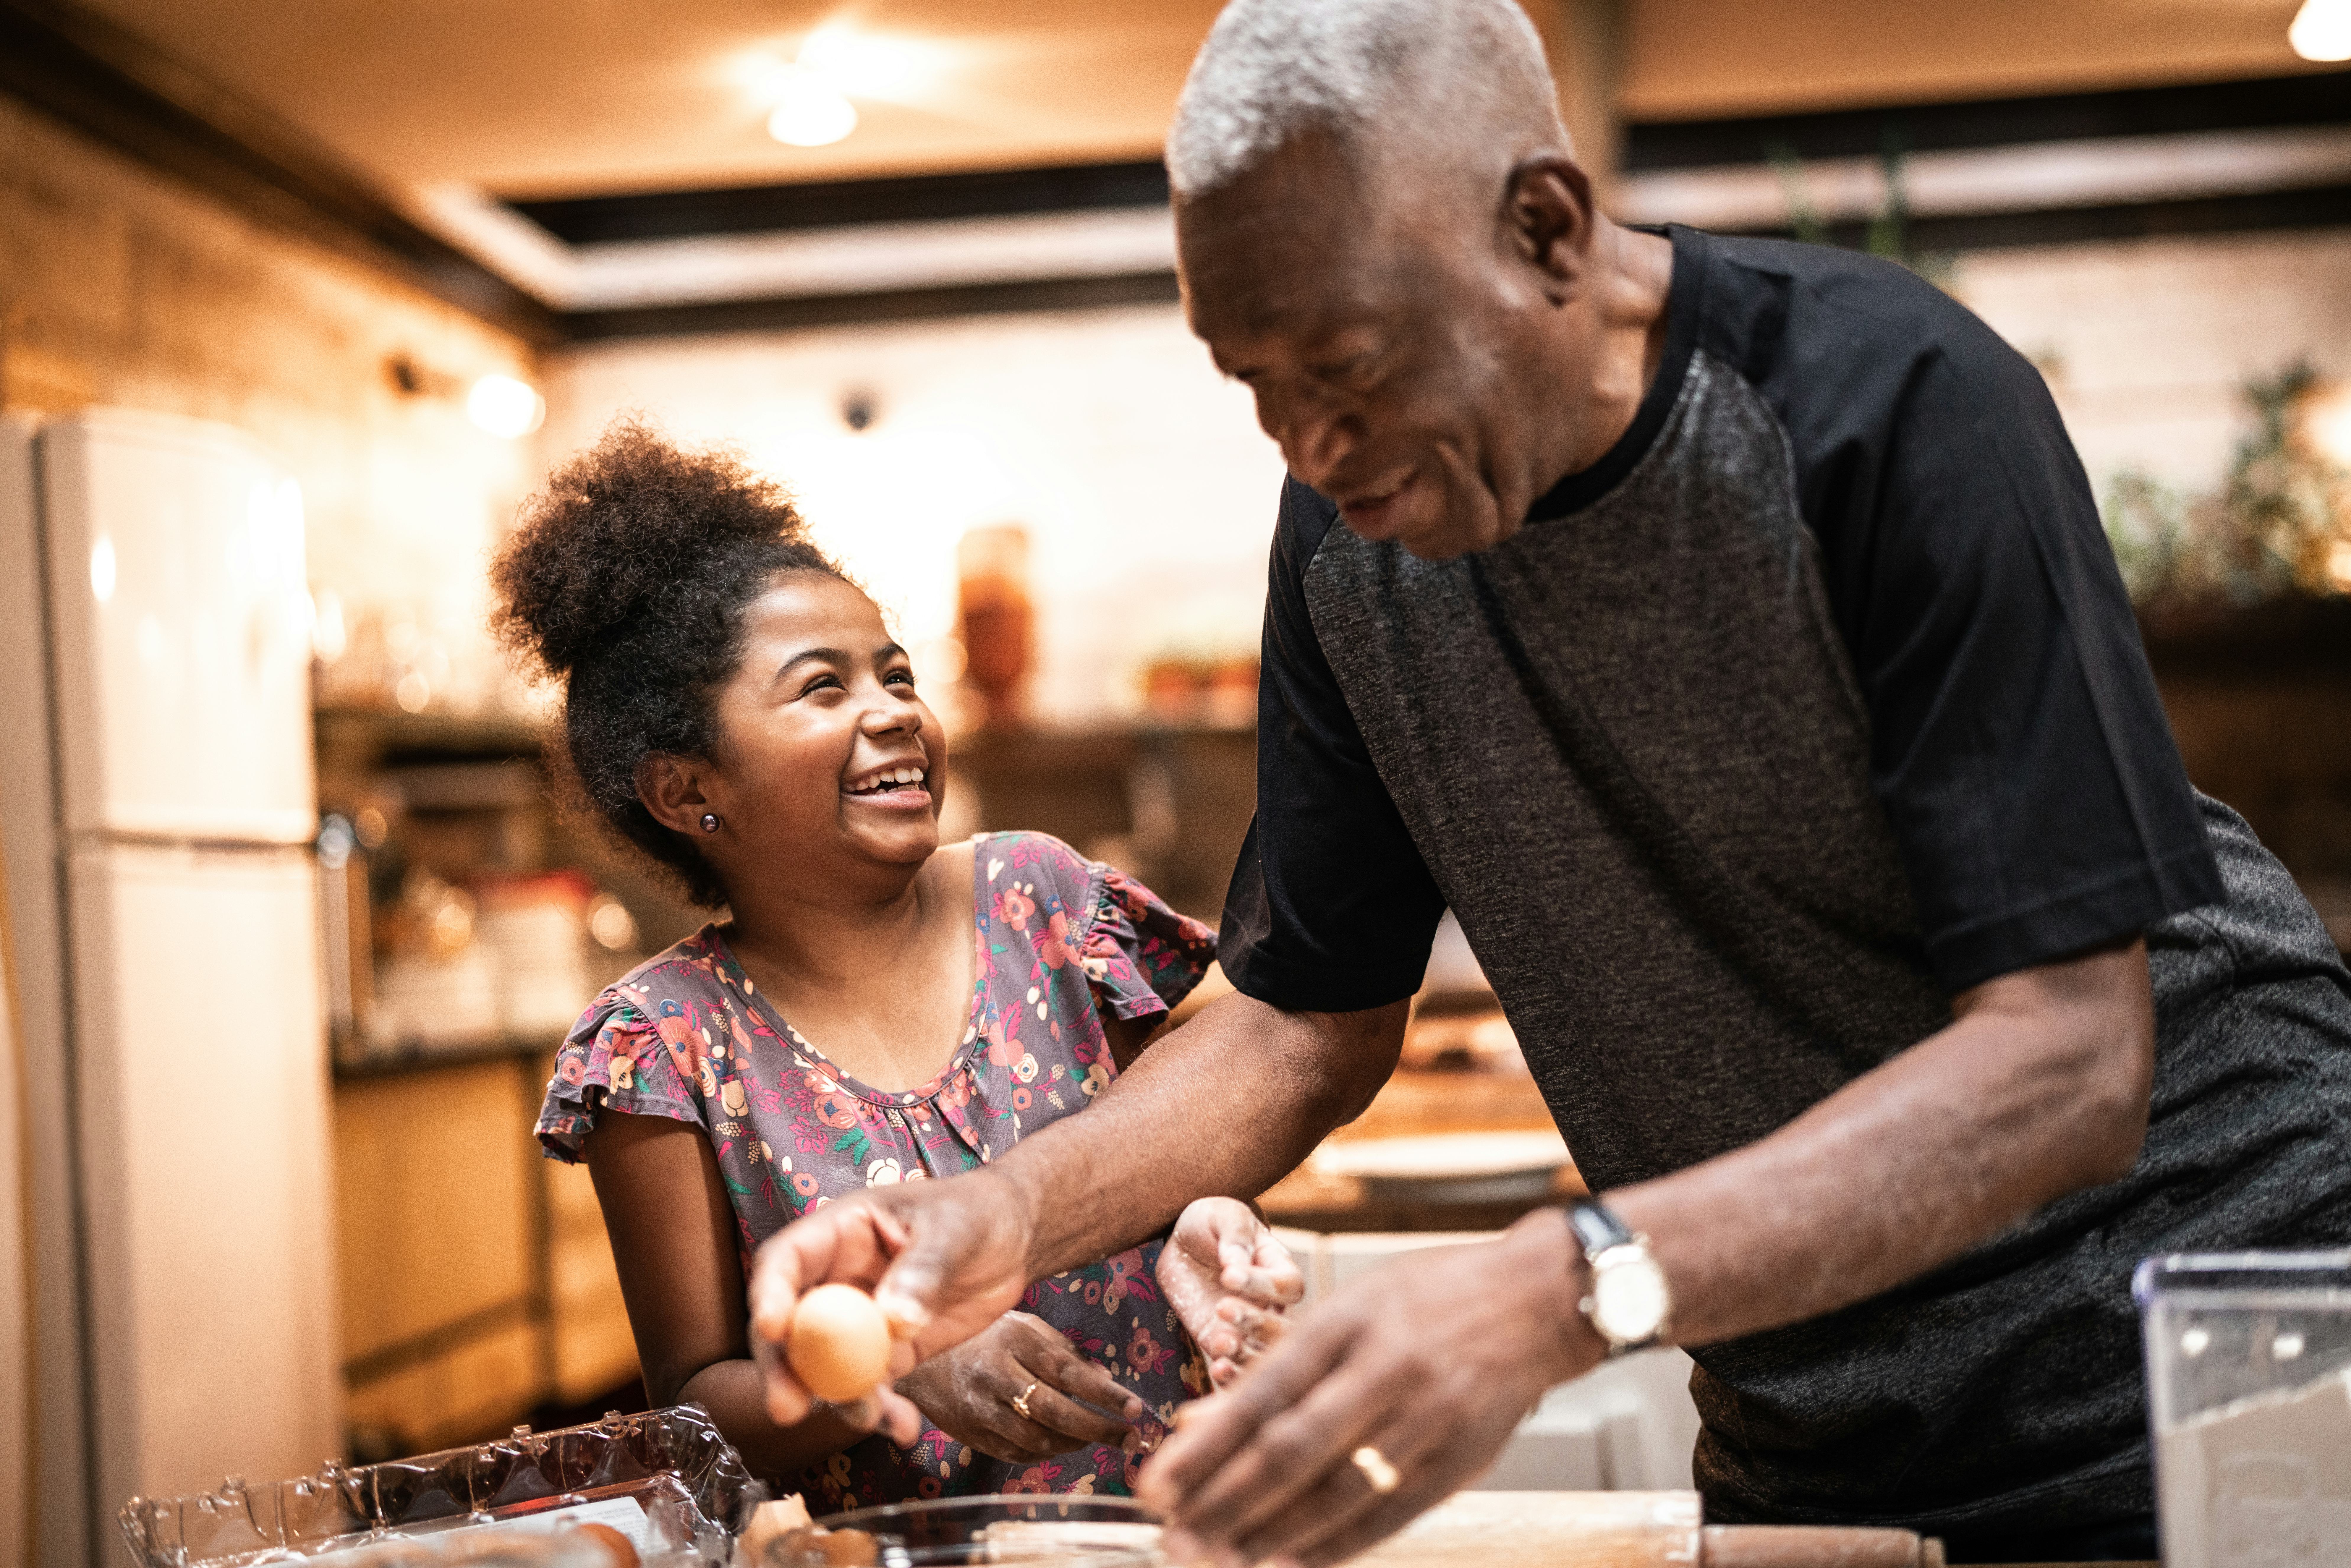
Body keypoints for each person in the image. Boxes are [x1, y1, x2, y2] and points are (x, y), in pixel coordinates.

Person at [736, 2, 2351, 1563]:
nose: (1314, 445)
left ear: (1547, 227)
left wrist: (1558, 1285)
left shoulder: (1886, 406)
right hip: (1815, 1420)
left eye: (1350, 365)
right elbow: (1308, 1013)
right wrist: (1003, 1211)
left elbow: (2070, 1058)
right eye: (1258, 390)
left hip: (2217, 1354)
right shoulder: (1351, 554)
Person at [491, 423, 1300, 1512]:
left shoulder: (1045, 903)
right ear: (688, 792)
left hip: (1163, 1528)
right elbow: (687, 1414)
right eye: (822, 689)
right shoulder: (662, 1045)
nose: (895, 715)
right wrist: (885, 1364)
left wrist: (1210, 1217)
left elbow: (1186, 1131)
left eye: (898, 675)